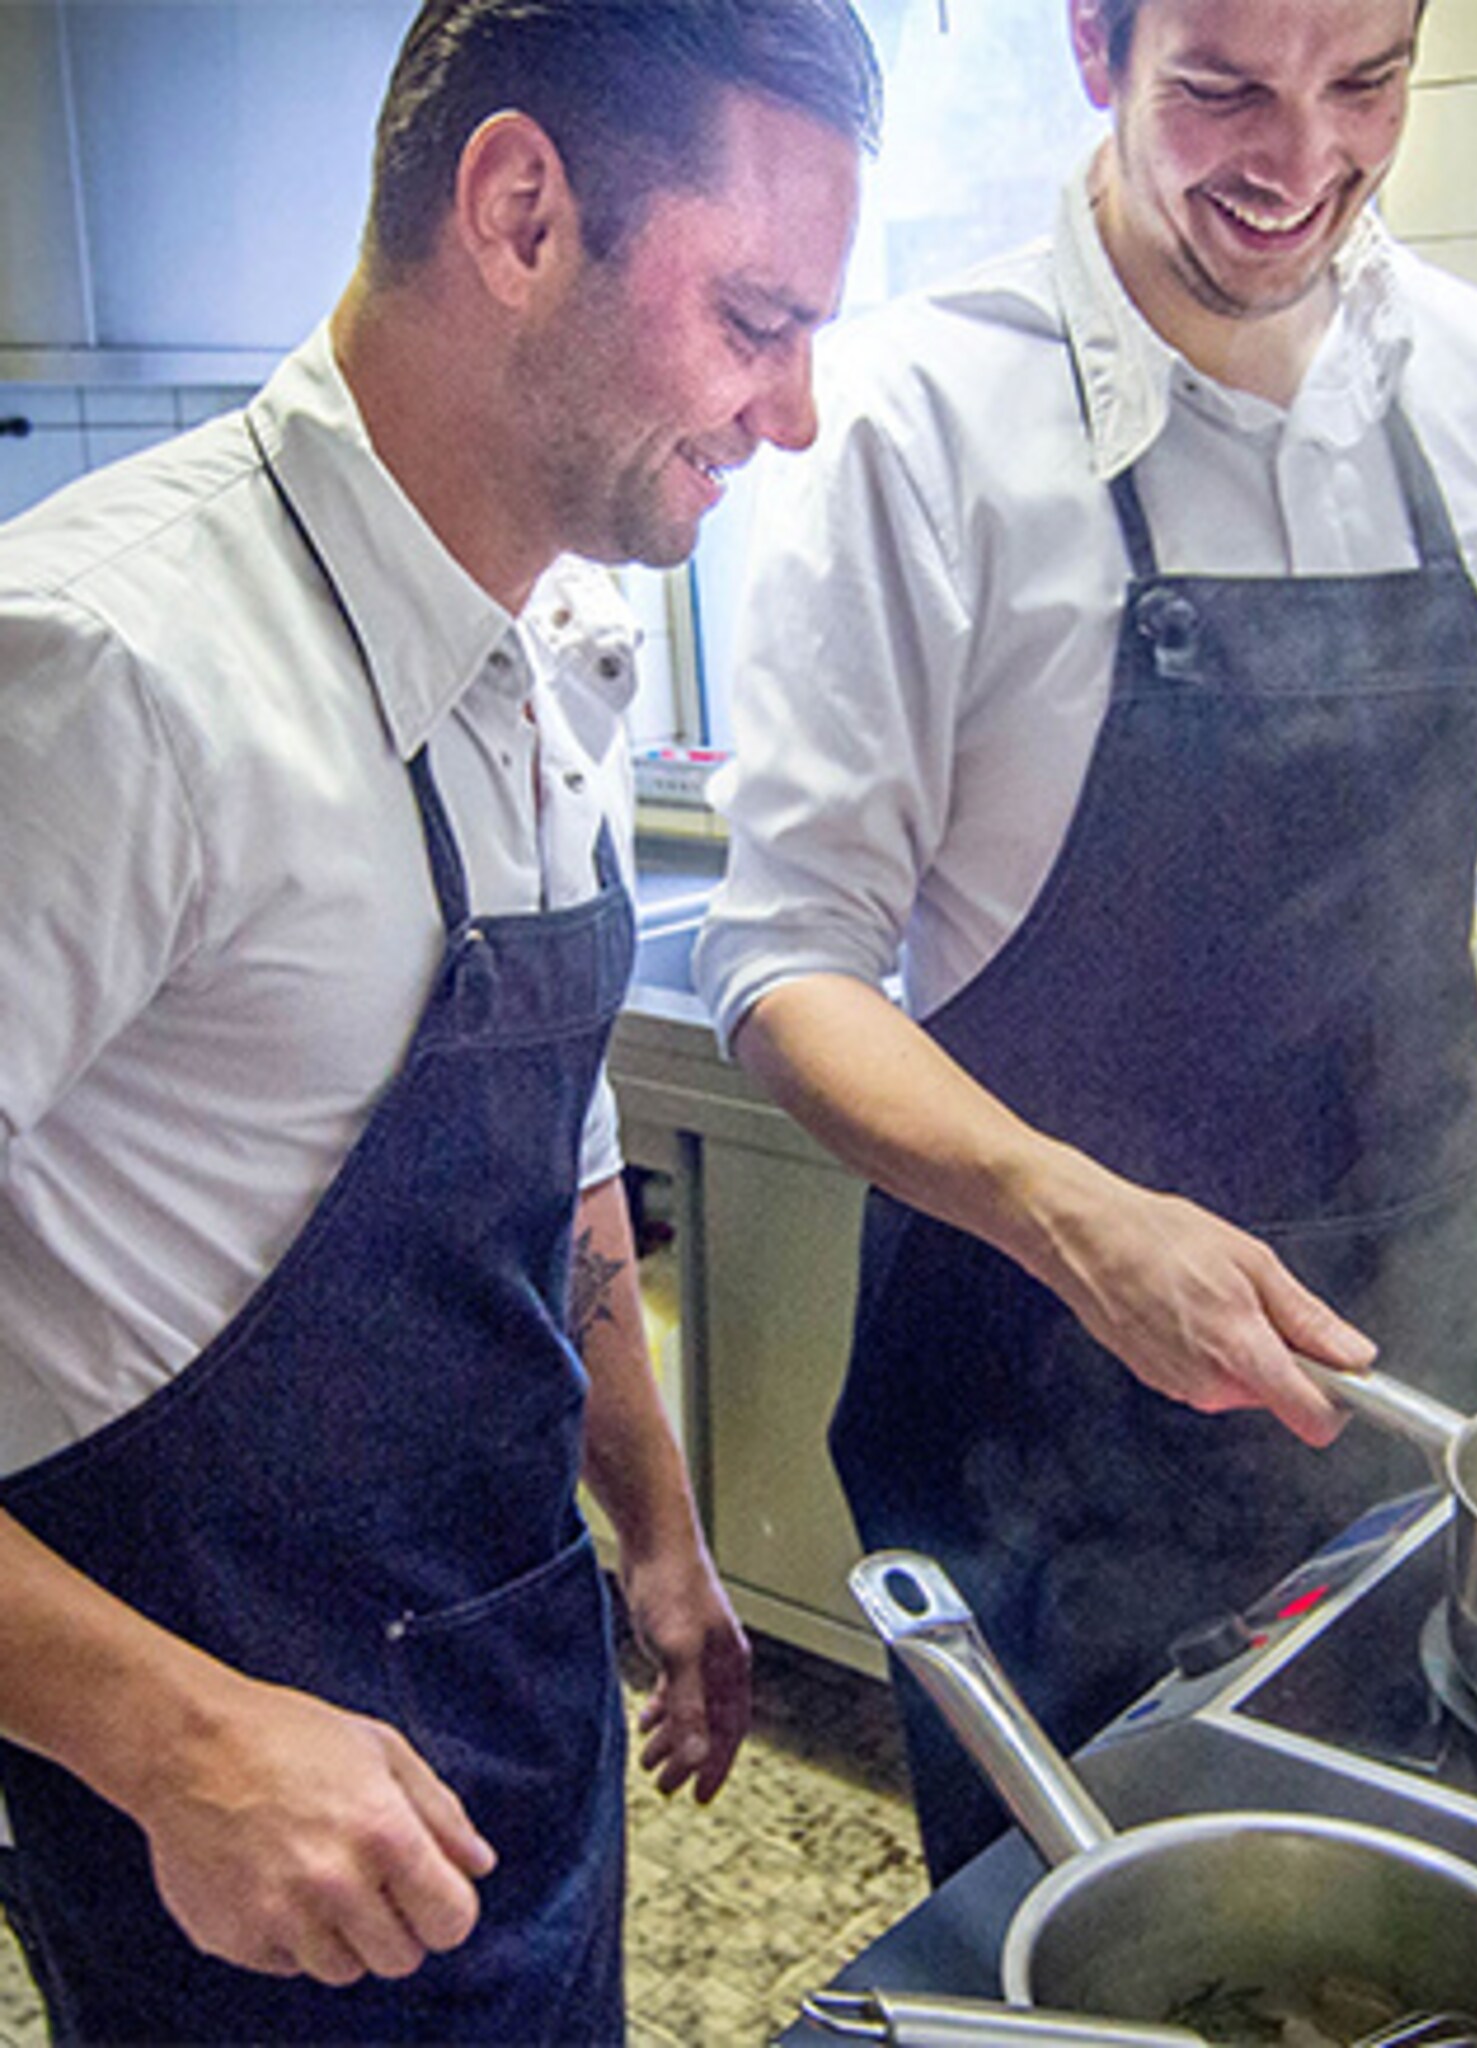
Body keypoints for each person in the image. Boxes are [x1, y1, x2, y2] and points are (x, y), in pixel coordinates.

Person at [694, 0, 1477, 1881]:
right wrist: (1083, 1222)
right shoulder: (923, 415)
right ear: (1096, 45)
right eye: (1221, 89)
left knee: (1417, 1927)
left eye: (1367, 85)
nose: (1301, 164)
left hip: (1422, 1372)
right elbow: (787, 963)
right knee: (1108, 1961)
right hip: (1037, 1411)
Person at [0, 0, 878, 2038]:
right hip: (225, 1832)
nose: (798, 407)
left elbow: (541, 1144)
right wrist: (177, 1746)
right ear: (515, 211)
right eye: (756, 314)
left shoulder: (560, 636)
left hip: (511, 1696)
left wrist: (656, 1527)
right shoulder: (101, 675)